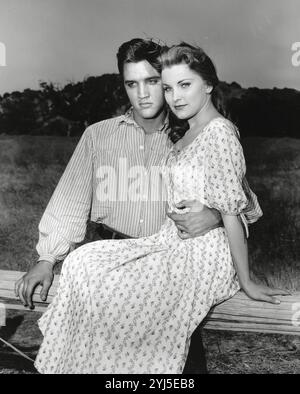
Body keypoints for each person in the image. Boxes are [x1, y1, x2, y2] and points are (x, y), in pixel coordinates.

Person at [20, 40, 288, 374]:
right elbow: (68, 202)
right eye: (132, 84)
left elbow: (243, 203)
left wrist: (213, 215)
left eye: (152, 82)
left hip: (176, 264)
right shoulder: (98, 136)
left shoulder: (190, 133)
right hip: (120, 253)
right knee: (103, 356)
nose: (143, 94)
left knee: (171, 370)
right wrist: (47, 259)